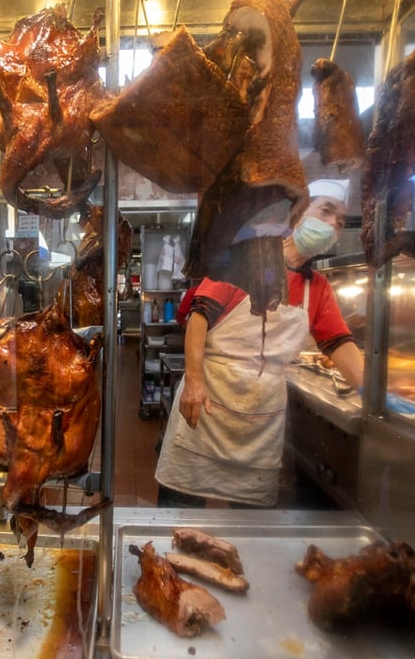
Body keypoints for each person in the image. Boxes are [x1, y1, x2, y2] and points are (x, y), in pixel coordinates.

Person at [155, 179, 364, 509]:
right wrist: (194, 381)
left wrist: (380, 396)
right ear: (297, 214)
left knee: (249, 525)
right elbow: (199, 316)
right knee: (180, 511)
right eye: (325, 211)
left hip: (260, 420)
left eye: (339, 222)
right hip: (207, 402)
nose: (332, 226)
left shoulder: (318, 287)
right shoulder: (247, 258)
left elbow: (340, 344)